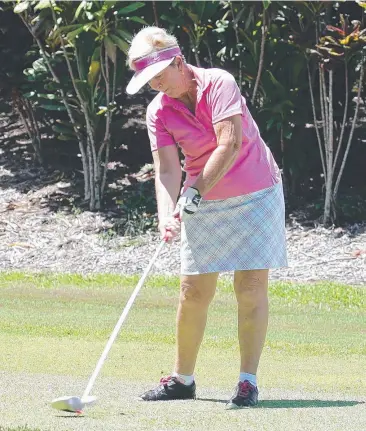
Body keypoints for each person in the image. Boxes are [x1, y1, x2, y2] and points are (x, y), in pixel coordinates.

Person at [126, 27, 287, 409]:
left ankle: (247, 382)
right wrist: (167, 215)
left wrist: (194, 192)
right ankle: (182, 380)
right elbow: (167, 170)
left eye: (160, 76)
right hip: (201, 199)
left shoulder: (220, 83)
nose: (156, 86)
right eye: (149, 81)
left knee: (249, 288)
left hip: (255, 193)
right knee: (193, 292)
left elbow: (229, 142)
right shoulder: (159, 111)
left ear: (178, 62)